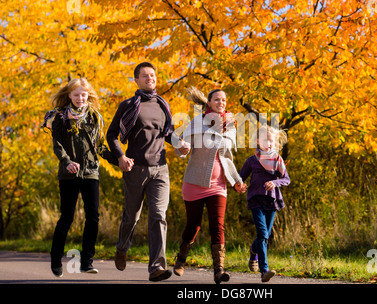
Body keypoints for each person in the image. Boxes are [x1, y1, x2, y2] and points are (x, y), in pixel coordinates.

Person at [106, 62, 190, 282]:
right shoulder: (129, 105)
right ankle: (122, 248)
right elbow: (112, 134)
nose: (149, 78)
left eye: (152, 75)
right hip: (136, 169)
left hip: (160, 169)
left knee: (158, 216)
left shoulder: (163, 104)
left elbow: (168, 133)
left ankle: (156, 267)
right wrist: (120, 157)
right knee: (131, 217)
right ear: (136, 80)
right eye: (145, 76)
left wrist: (179, 144)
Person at [42, 78, 118, 277]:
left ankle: (87, 262)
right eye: (76, 94)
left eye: (83, 94)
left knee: (93, 217)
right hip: (68, 174)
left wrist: (119, 160)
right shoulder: (60, 117)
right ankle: (56, 258)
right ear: (69, 96)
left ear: (88, 95)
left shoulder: (94, 117)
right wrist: (67, 162)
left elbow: (99, 146)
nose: (80, 98)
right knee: (67, 217)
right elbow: (57, 144)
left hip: (91, 172)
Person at [173, 86, 247, 284]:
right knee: (193, 226)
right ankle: (181, 259)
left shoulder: (230, 126)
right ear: (209, 103)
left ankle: (219, 271)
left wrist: (237, 181)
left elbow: (228, 158)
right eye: (217, 99)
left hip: (218, 185)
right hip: (194, 182)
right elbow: (180, 149)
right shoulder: (198, 122)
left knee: (218, 226)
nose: (220, 102)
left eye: (223, 100)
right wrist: (182, 148)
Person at [239, 125, 290, 282]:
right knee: (262, 233)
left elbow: (286, 179)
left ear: (274, 143)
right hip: (256, 199)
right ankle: (264, 270)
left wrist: (275, 183)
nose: (268, 142)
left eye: (271, 140)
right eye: (264, 139)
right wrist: (239, 185)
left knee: (265, 235)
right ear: (257, 141)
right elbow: (240, 177)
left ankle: (254, 251)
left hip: (271, 200)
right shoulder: (252, 161)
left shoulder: (277, 160)